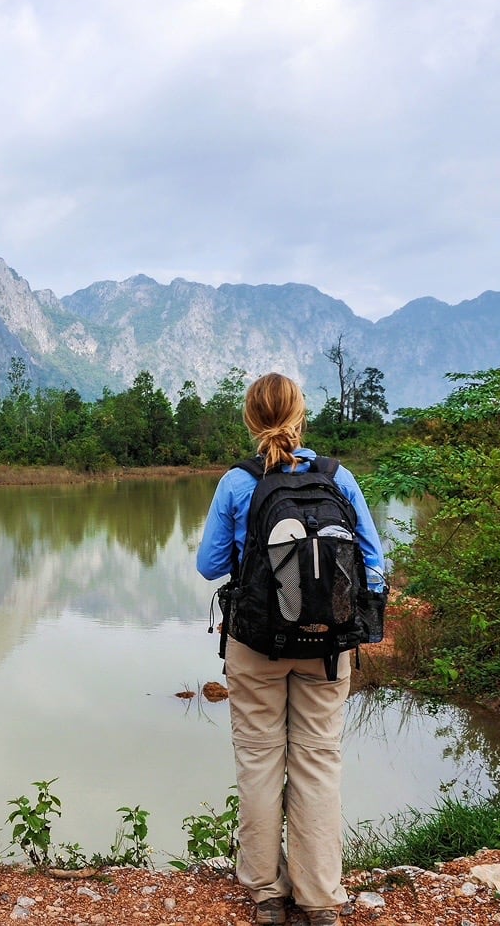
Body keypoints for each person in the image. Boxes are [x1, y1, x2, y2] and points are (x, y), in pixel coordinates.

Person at [195, 373, 386, 926]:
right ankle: (321, 899)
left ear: (252, 419)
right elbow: (374, 562)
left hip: (255, 644)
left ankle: (267, 895)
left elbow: (210, 566)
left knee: (258, 761)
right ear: (301, 414)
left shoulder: (237, 482)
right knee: (318, 761)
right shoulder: (338, 476)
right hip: (328, 646)